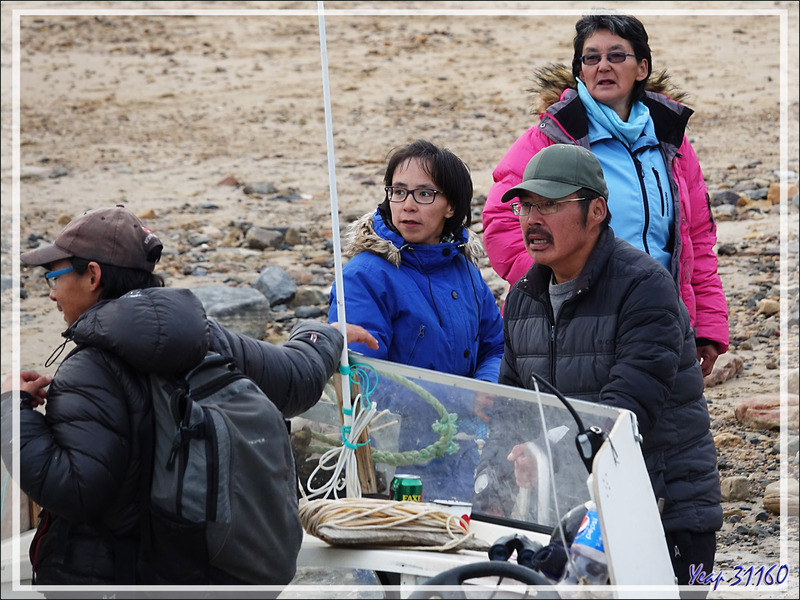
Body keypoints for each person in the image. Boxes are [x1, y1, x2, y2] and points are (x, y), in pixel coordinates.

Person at [0, 205, 355, 588]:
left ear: (93, 276)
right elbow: (295, 381)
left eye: (54, 276)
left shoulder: (88, 369)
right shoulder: (205, 336)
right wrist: (325, 335)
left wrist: (12, 407)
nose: (51, 293)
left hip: (121, 581)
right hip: (209, 568)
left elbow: (75, 491)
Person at [491, 144, 722, 592]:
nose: (531, 219)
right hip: (571, 514)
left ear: (596, 210)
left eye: (551, 205)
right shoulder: (522, 299)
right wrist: (498, 483)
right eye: (526, 205)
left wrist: (543, 455)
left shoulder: (644, 287)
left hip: (662, 513)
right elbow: (511, 410)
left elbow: (623, 415)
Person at [481, 12, 728, 377]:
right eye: (591, 57)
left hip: (665, 316)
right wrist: (555, 285)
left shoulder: (671, 141)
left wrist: (706, 323)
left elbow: (697, 238)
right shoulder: (551, 136)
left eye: (617, 55)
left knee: (666, 425)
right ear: (580, 70)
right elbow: (501, 219)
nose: (603, 66)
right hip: (582, 323)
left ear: (642, 67)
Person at [328, 139, 504, 501]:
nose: (407, 205)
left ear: (451, 205)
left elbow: (496, 344)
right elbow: (364, 377)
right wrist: (464, 401)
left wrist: (485, 388)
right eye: (398, 192)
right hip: (390, 458)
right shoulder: (363, 277)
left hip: (463, 450)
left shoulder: (465, 270)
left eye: (425, 194)